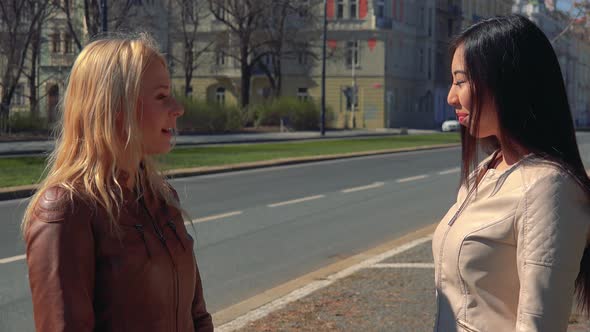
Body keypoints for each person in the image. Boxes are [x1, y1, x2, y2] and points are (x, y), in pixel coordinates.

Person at [22, 33, 213, 332]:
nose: (178, 108)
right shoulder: (66, 212)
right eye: (162, 96)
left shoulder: (161, 198)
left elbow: (197, 316)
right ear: (115, 108)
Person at [432, 15, 590, 332]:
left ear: (505, 82)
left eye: (460, 81)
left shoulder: (548, 188)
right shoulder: (485, 172)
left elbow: (538, 324)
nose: (451, 96)